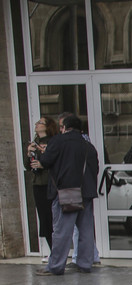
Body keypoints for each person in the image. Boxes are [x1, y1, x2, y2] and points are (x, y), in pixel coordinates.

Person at [35, 114, 99, 275]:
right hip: (86, 193)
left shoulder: (58, 141)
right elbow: (95, 168)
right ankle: (85, 264)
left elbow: (46, 161)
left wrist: (43, 155)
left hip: (65, 193)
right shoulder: (88, 146)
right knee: (86, 230)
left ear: (64, 128)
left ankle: (55, 266)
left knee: (62, 231)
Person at [26, 116, 59, 252]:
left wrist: (43, 162)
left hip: (49, 184)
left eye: (40, 123)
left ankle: (58, 252)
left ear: (48, 126)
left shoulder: (53, 142)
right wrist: (29, 153)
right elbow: (28, 166)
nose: (36, 124)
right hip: (38, 184)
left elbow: (55, 161)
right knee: (44, 219)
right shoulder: (34, 143)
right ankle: (53, 251)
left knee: (52, 219)